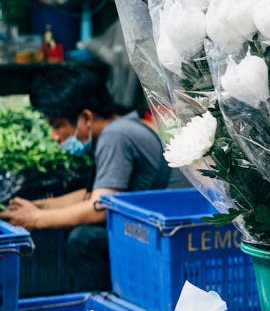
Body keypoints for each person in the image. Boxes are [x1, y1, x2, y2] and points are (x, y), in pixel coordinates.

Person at [0, 68, 184, 290]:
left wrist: (38, 218)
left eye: (57, 125)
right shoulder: (123, 125)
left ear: (86, 117)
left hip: (166, 239)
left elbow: (100, 207)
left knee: (83, 239)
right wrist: (42, 205)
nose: (54, 136)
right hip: (159, 232)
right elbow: (101, 193)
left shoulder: (115, 136)